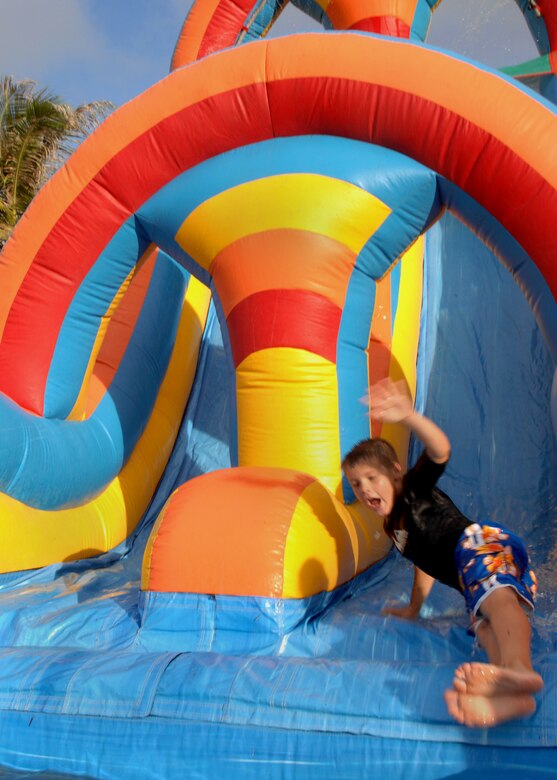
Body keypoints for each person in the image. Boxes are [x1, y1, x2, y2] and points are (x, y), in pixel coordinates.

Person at [342, 378, 543, 728]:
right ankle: (511, 694)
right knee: (481, 626)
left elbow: (440, 450)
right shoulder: (394, 528)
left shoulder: (411, 491)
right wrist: (414, 607)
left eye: (372, 478)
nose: (364, 489)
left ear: (395, 472)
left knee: (496, 602)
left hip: (481, 544)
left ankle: (519, 670)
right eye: (356, 484)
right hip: (475, 582)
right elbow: (426, 565)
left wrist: (408, 417)